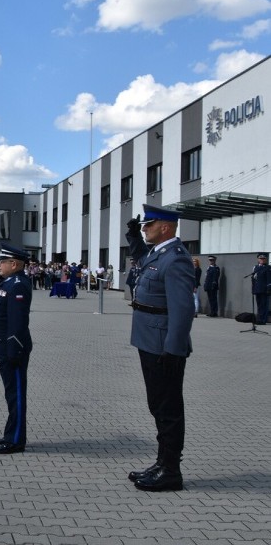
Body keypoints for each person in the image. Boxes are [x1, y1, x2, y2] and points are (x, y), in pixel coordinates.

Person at [125, 204, 194, 492]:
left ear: (165, 227)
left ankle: (171, 471)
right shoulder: (157, 254)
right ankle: (162, 462)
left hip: (163, 345)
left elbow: (182, 310)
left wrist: (174, 349)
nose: (144, 228)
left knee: (167, 408)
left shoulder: (176, 259)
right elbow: (141, 259)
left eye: (148, 225)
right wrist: (133, 238)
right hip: (148, 339)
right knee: (157, 405)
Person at [0, 244, 33, 455]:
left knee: (16, 395)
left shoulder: (18, 285)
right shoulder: (10, 281)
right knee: (10, 393)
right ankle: (10, 433)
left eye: (2, 262)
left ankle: (15, 440)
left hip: (12, 349)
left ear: (14, 264)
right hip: (2, 347)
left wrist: (14, 349)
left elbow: (17, 322)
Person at [252, 253, 270, 325]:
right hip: (257, 289)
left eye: (263, 259)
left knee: (264, 305)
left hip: (264, 289)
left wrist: (269, 288)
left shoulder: (268, 267)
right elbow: (253, 279)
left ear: (266, 260)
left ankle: (263, 320)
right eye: (260, 259)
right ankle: (259, 318)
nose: (262, 260)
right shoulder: (255, 267)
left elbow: (269, 279)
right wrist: (253, 289)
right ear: (258, 259)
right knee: (259, 304)